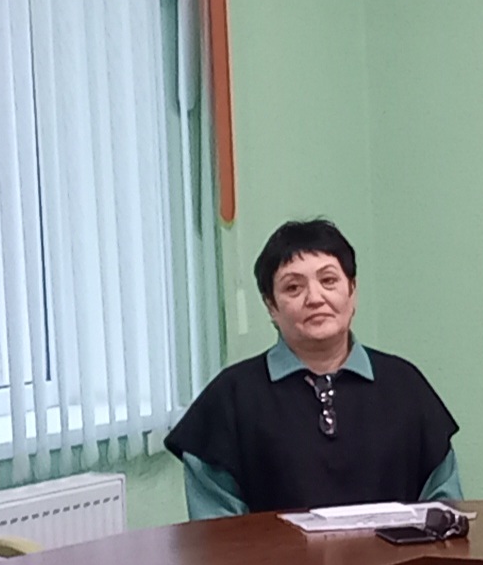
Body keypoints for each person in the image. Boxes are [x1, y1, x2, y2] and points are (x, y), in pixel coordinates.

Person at [168, 220, 459, 519]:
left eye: (329, 281)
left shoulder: (404, 386)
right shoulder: (230, 397)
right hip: (270, 553)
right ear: (271, 306)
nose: (315, 298)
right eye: (293, 287)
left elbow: (444, 512)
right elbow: (216, 530)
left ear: (352, 291)